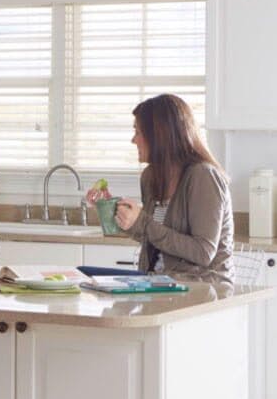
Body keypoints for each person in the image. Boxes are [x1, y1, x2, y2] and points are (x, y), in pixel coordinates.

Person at [83, 94, 235, 284]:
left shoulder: (203, 176)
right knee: (85, 278)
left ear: (159, 135)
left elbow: (203, 252)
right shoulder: (151, 176)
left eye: (138, 132)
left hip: (201, 288)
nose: (133, 140)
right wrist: (111, 208)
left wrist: (143, 221)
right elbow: (152, 236)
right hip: (158, 283)